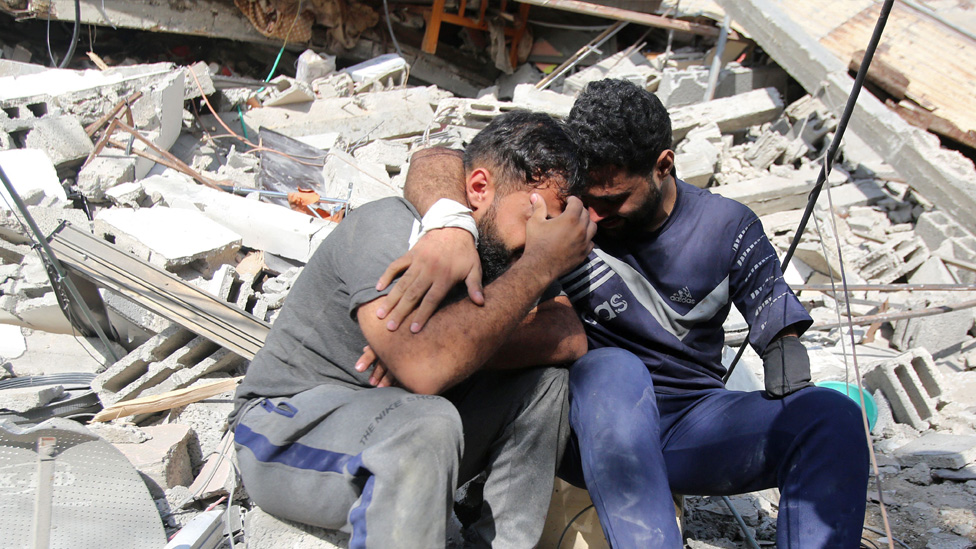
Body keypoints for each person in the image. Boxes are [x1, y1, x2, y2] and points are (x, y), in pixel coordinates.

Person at [374, 79, 871, 548]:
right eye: (585, 200)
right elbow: (439, 160)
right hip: (577, 427)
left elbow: (775, 313)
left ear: (663, 165)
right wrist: (449, 224)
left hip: (687, 423)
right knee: (613, 369)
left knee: (833, 418)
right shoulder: (560, 209)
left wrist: (786, 351)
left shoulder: (725, 227)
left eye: (612, 201)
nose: (591, 217)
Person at [228, 110, 596, 548]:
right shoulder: (391, 228)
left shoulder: (510, 256)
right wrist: (539, 266)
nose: (542, 239)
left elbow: (568, 335)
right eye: (535, 218)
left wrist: (455, 344)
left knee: (547, 384)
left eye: (552, 230)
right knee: (429, 421)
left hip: (405, 431)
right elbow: (426, 369)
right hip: (287, 434)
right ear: (479, 188)